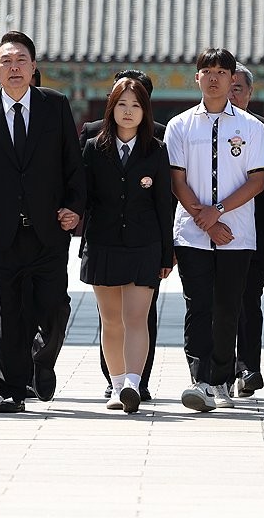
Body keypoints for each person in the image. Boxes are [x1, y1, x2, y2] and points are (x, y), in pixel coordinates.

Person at [0, 31, 84, 414]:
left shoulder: (55, 105)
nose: (14, 68)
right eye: (6, 61)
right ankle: (14, 388)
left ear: (33, 67)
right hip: (1, 234)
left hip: (48, 231)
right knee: (6, 313)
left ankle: (41, 362)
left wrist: (74, 208)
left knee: (55, 306)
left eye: (20, 60)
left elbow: (73, 166)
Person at [166, 48, 264, 413]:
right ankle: (200, 379)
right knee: (198, 306)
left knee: (229, 308)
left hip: (236, 233)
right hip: (192, 233)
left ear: (232, 79)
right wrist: (205, 220)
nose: (214, 78)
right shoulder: (180, 125)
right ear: (196, 77)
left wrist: (219, 212)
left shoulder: (252, 127)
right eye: (207, 71)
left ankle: (222, 378)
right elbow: (177, 180)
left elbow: (257, 181)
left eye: (222, 72)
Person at [80, 77, 174, 413]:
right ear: (111, 108)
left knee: (136, 317)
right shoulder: (94, 148)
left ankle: (134, 384)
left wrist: (166, 253)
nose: (128, 111)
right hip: (102, 242)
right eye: (122, 104)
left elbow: (164, 204)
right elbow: (83, 197)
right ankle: (117, 385)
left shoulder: (157, 150)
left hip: (144, 244)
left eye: (136, 105)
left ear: (145, 111)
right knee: (111, 320)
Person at [230, 63, 264, 399]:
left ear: (250, 93)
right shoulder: (198, 127)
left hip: (256, 230)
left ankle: (248, 368)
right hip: (213, 228)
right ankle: (220, 369)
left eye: (238, 88)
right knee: (217, 300)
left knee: (250, 298)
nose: (231, 94)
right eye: (227, 87)